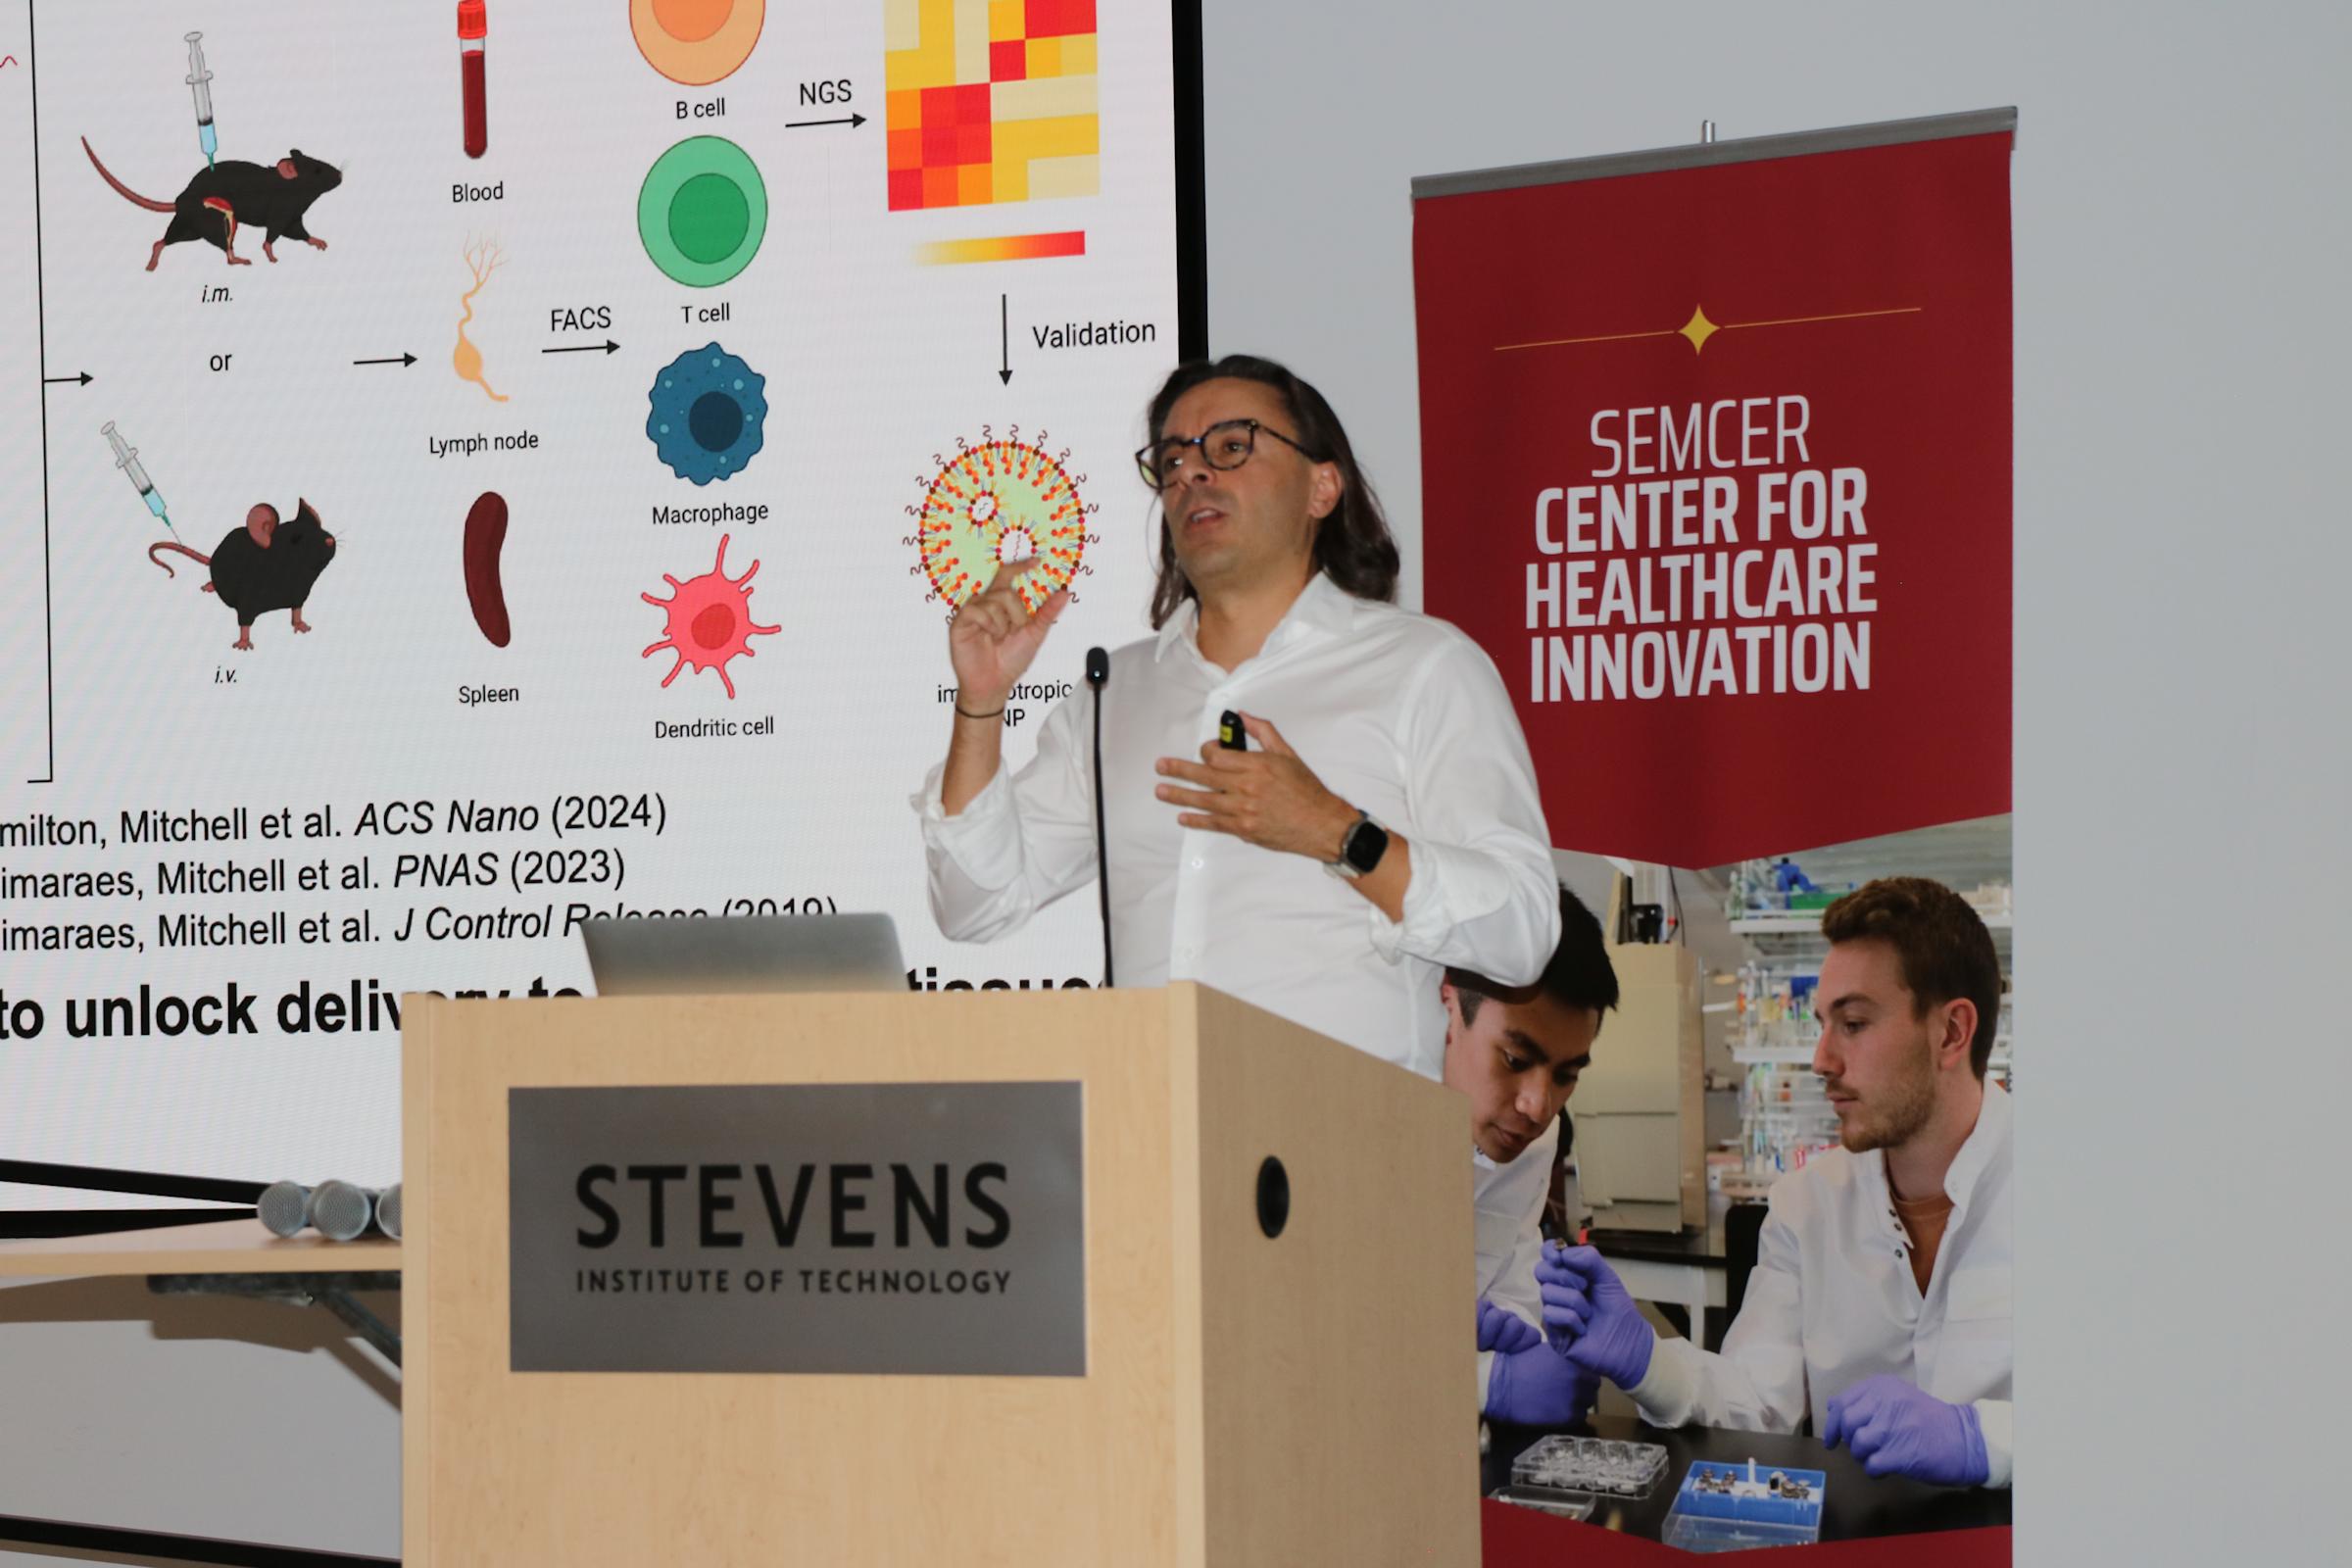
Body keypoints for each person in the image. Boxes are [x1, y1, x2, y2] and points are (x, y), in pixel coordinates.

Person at [913, 355, 1559, 1077]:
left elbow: (1523, 930)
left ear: (1322, 487)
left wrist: (1337, 833)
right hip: (1155, 1141)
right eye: (1174, 458)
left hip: (1346, 1150)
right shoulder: (1114, 691)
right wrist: (980, 703)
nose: (1193, 474)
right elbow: (975, 905)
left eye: (1231, 447)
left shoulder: (1425, 668)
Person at [1538, 877, 2013, 1487]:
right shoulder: (1805, 1205)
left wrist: (1985, 1442)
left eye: (1854, 1023)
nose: (1821, 1059)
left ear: (1950, 1033)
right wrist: (1645, 1360)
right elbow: (1758, 1403)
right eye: (1822, 1024)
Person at [1452, 885, 1619, 1426]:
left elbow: (1511, 1268)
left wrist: (1525, 1332)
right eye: (1516, 1057)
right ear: (1448, 1001)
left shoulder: (1531, 1134)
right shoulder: (1349, 1107)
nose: (1538, 1105)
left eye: (1567, 1074)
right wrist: (1482, 1383)